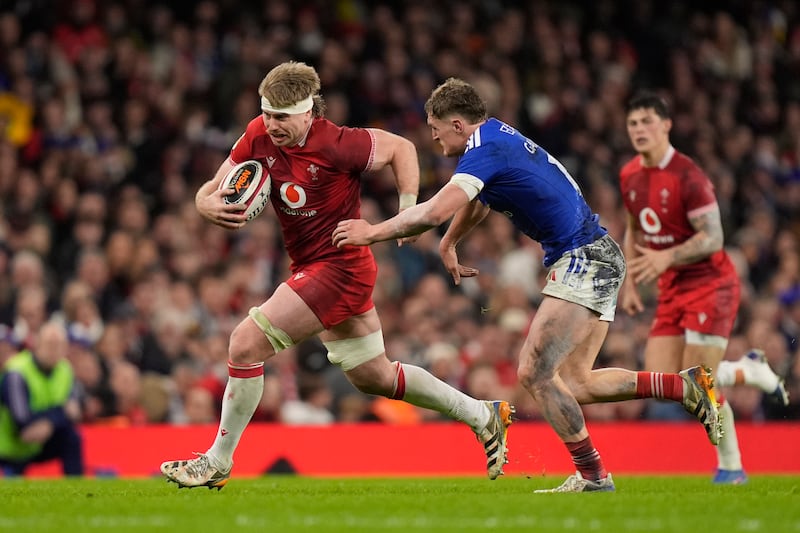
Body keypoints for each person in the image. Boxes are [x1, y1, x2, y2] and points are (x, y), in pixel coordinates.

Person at [332, 77, 722, 493]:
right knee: (575, 383)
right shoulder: (497, 136)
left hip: (583, 257)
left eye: (436, 128)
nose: (433, 137)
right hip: (597, 253)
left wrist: (370, 232)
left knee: (534, 371)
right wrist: (450, 242)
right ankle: (684, 386)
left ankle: (593, 476)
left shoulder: (483, 149)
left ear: (459, 125)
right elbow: (481, 201)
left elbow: (433, 211)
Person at [160, 62, 514, 490]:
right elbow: (212, 187)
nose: (272, 125)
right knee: (375, 376)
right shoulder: (257, 132)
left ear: (308, 112)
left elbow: (401, 149)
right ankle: (483, 415)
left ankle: (217, 460)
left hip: (340, 266)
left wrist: (406, 209)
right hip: (314, 266)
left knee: (244, 343)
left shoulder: (339, 143)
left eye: (283, 117)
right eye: (268, 114)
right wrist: (204, 204)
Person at [619, 90, 789, 484]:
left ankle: (731, 466)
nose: (639, 129)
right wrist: (630, 283)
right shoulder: (629, 174)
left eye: (647, 121)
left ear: (666, 126)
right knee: (663, 383)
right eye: (633, 123)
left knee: (699, 380)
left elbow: (713, 237)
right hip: (672, 286)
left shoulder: (688, 175)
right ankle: (747, 370)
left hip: (710, 282)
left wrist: (666, 257)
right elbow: (632, 227)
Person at [0, 320, 84, 476]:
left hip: (41, 439)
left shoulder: (65, 369)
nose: (54, 350)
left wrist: (49, 421)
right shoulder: (17, 372)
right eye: (49, 344)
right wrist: (58, 414)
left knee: (72, 438)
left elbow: (74, 413)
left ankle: (77, 491)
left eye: (59, 345)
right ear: (36, 344)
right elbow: (21, 421)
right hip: (11, 445)